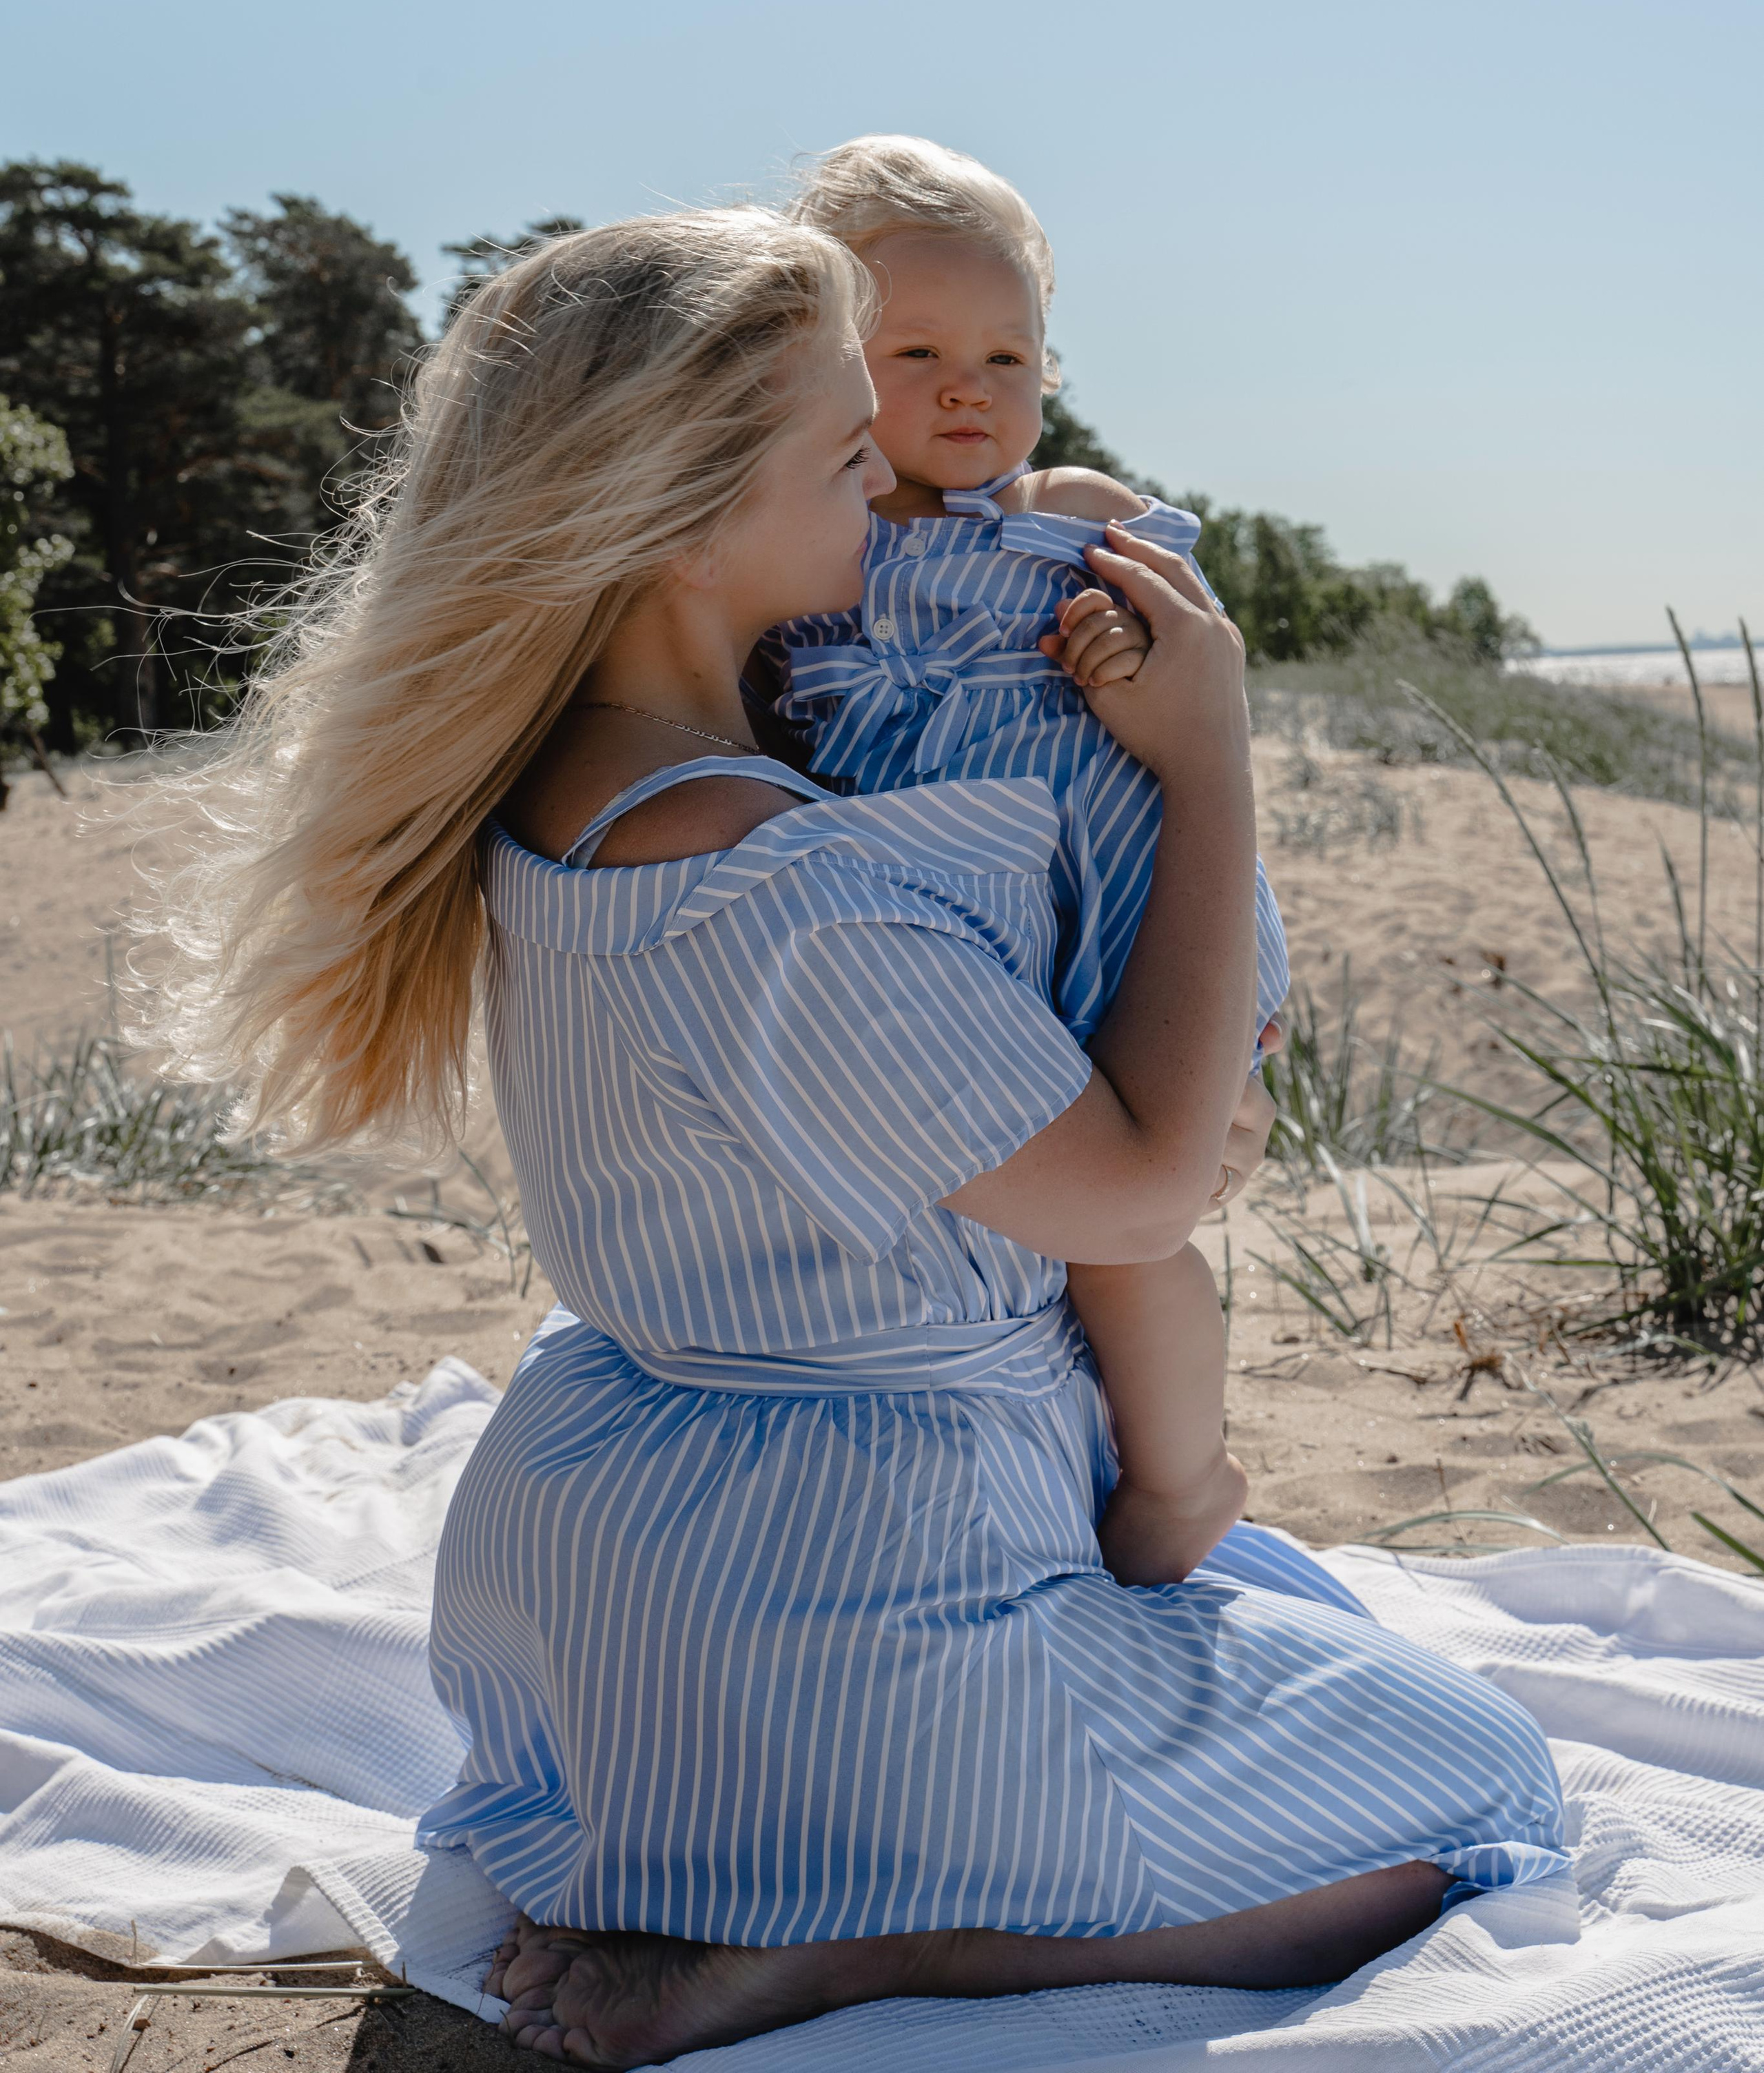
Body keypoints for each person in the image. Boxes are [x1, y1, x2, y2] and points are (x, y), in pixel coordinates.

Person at [141, 205, 1566, 2070]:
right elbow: (1144, 1188)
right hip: (848, 1607)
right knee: (1489, 1790)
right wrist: (1206, 750)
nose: (885, 484)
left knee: (1284, 1612)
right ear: (681, 520)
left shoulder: (559, 787)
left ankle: (767, 1868)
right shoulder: (782, 889)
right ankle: (869, 1944)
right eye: (841, 456)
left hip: (607, 1607)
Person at [771, 132, 1284, 1585]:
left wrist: (1120, 632)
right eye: (915, 351)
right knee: (1015, 1225)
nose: (966, 388)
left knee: (1126, 1242)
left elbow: (1192, 655)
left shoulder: (1070, 516)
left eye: (1007, 356)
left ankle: (1182, 1478)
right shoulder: (809, 547)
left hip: (1112, 911)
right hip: (953, 947)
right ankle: (1073, 1451)